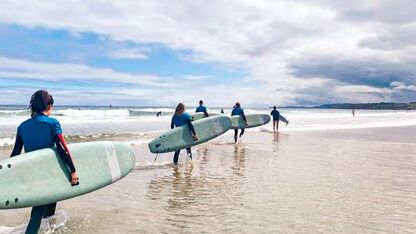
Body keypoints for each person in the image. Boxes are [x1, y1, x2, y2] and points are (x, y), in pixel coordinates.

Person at [10, 90, 79, 234]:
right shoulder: (52, 123)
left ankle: (47, 231)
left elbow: (15, 154)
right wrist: (73, 171)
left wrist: (11, 176)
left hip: (33, 173)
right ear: (49, 105)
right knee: (39, 209)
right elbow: (62, 148)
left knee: (49, 204)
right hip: (50, 171)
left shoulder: (22, 127)